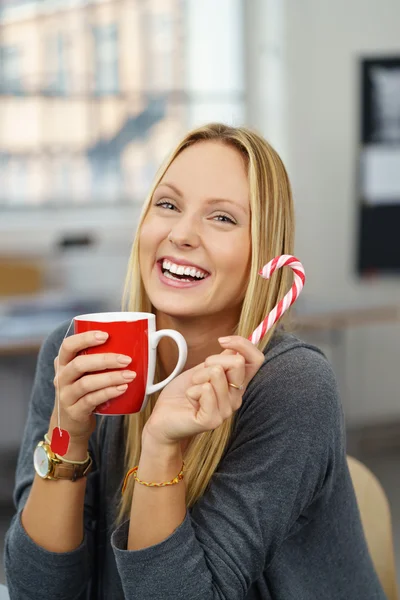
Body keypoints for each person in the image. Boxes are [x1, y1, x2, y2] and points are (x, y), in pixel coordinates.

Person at [3, 123, 385, 600]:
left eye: (222, 218)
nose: (181, 234)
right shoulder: (75, 351)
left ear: (263, 254)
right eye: (167, 205)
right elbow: (35, 591)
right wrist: (69, 435)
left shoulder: (293, 386)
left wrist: (161, 447)